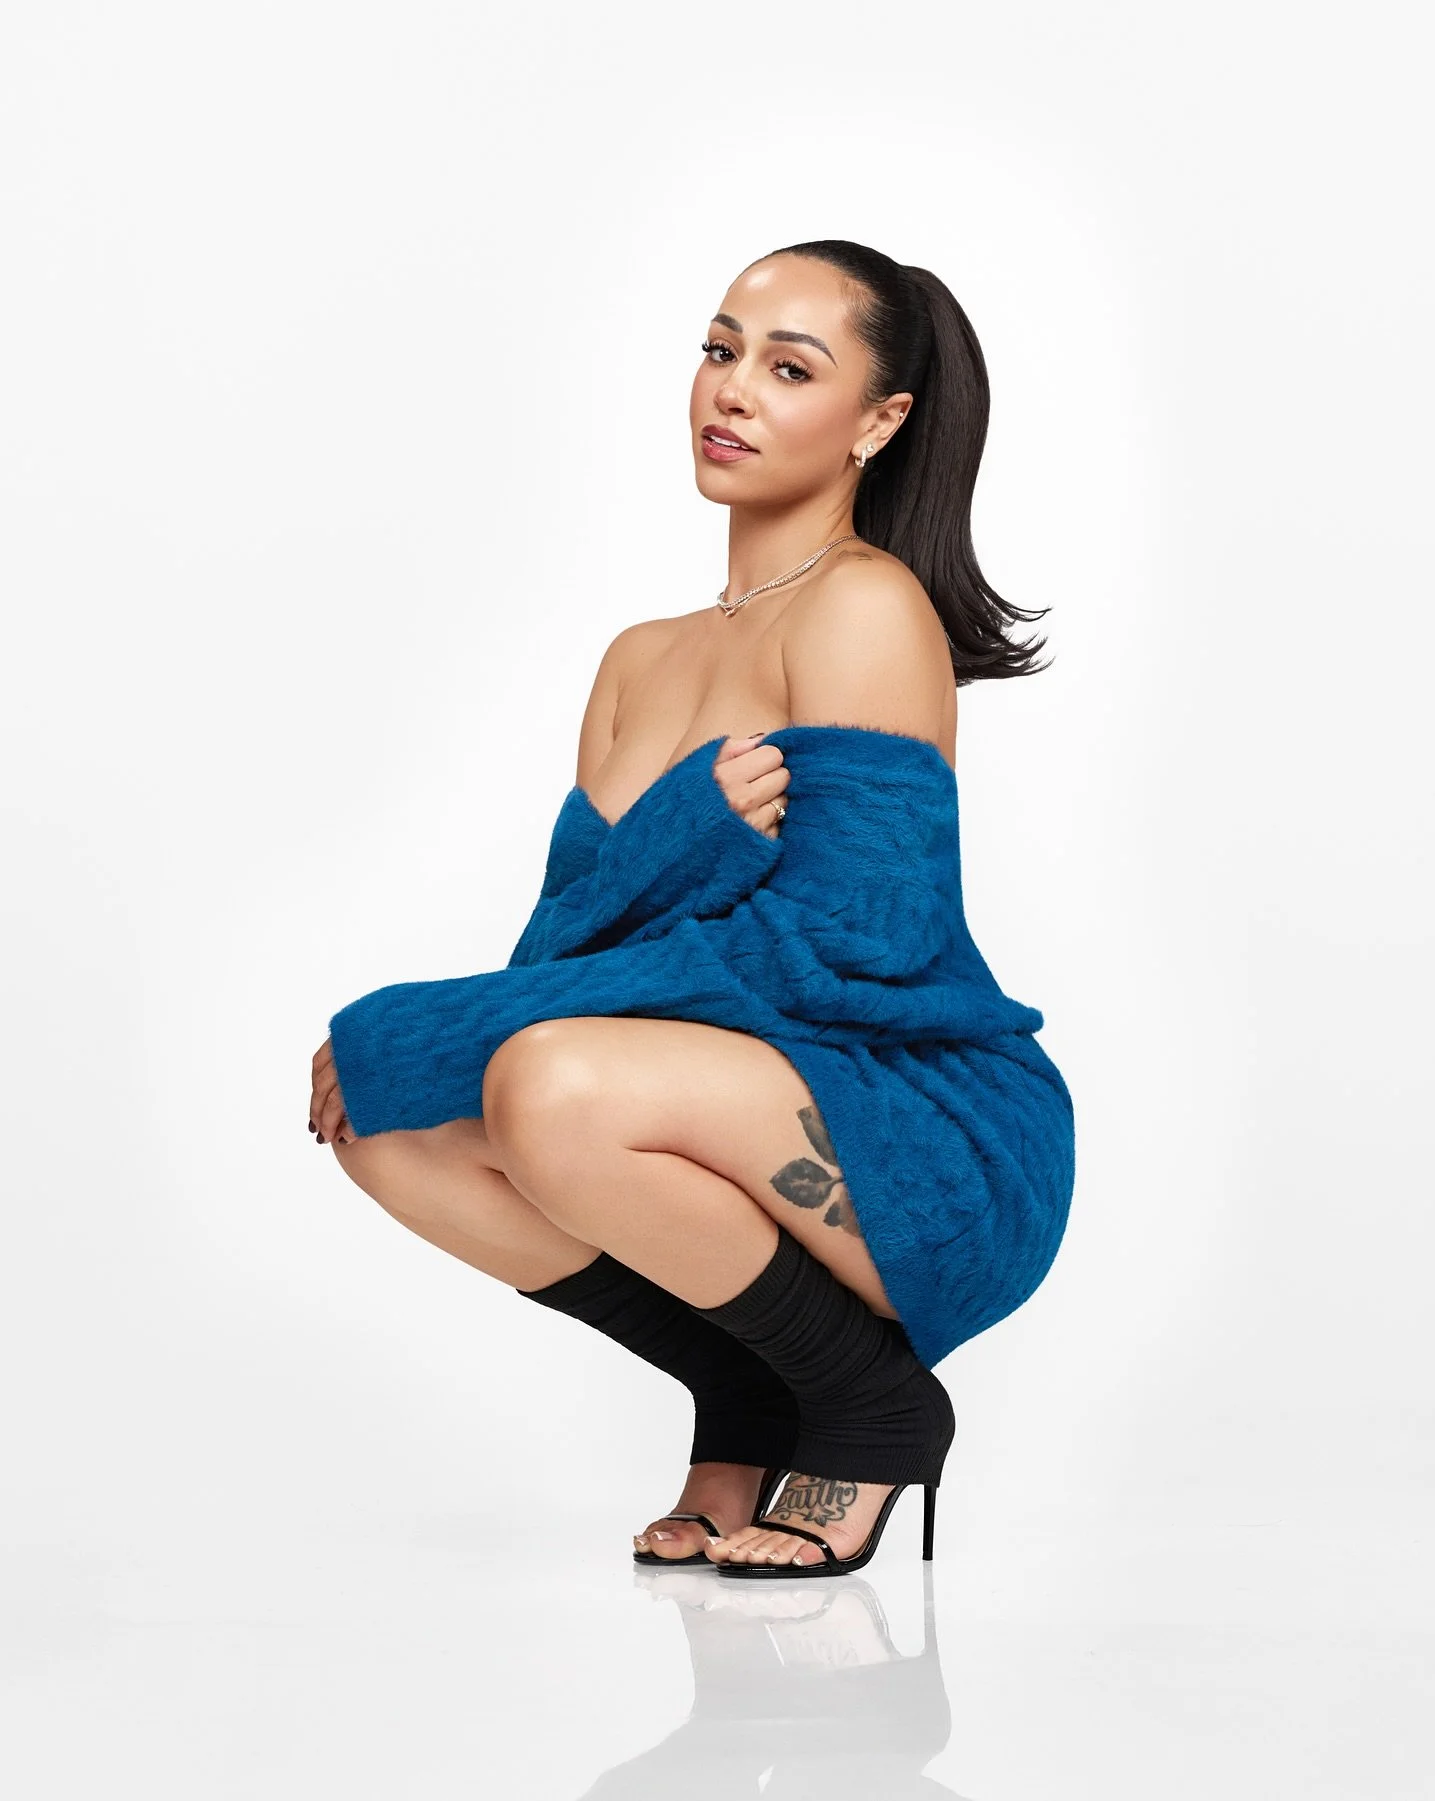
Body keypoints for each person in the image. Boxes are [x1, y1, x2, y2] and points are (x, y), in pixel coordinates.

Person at [307, 240, 1075, 1578]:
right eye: (721, 350)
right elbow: (565, 957)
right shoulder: (639, 660)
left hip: (922, 1125)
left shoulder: (863, 607)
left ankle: (874, 1407)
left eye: (791, 368)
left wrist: (439, 1023)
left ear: (879, 421)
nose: (733, 390)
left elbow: (855, 947)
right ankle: (749, 1390)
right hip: (731, 1101)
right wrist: (681, 845)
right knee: (393, 1130)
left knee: (546, 1083)